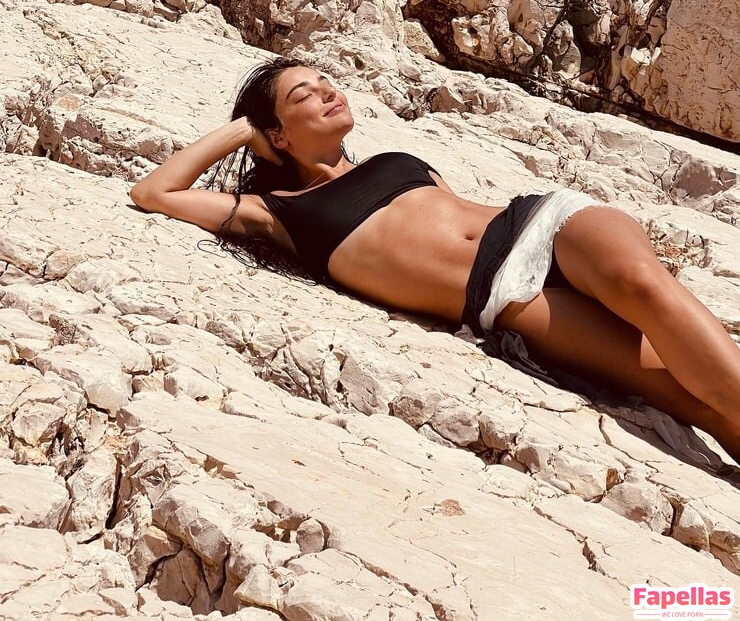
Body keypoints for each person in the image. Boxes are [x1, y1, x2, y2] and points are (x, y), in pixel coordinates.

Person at [129, 57, 740, 464]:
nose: (327, 92)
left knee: (642, 284)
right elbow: (155, 193)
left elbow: (454, 214)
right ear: (278, 134)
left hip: (546, 226)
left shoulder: (394, 160)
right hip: (500, 299)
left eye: (325, 82)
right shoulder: (277, 211)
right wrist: (241, 131)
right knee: (688, 401)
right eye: (302, 95)